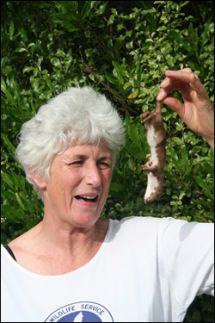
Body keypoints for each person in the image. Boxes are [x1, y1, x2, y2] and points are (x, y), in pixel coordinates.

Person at [1, 68, 214, 322]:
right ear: (38, 172)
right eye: (77, 161)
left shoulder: (152, 246)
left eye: (103, 163)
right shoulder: (7, 278)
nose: (95, 178)